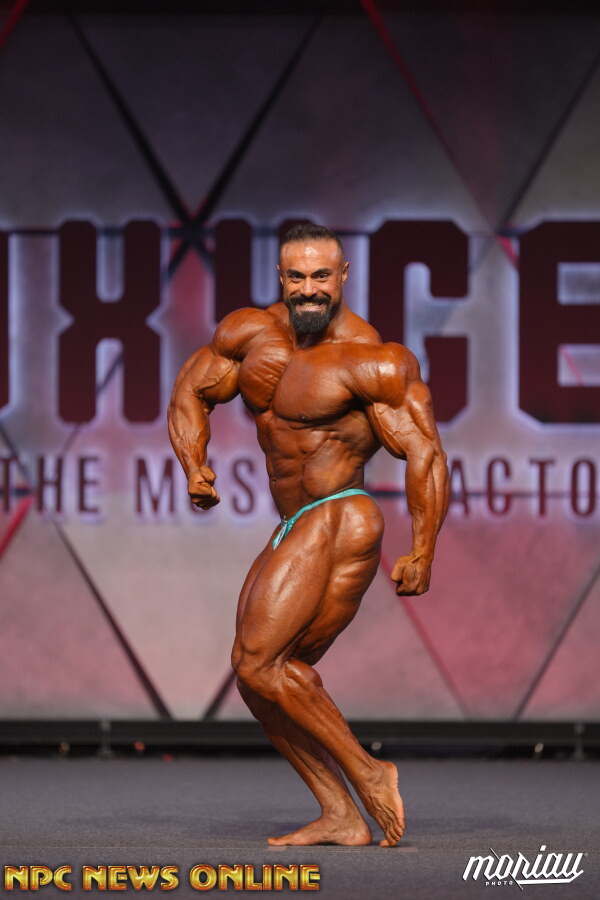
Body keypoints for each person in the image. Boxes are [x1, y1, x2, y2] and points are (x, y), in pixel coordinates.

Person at [168, 223, 449, 847]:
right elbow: (190, 390)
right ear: (281, 277)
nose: (309, 288)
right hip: (295, 522)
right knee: (260, 676)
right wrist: (195, 465)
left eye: (321, 275)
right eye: (296, 276)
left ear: (343, 276)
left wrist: (424, 548)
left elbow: (425, 452)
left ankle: (369, 771)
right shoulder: (250, 335)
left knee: (260, 661)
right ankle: (341, 813)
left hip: (343, 513)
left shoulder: (372, 359)